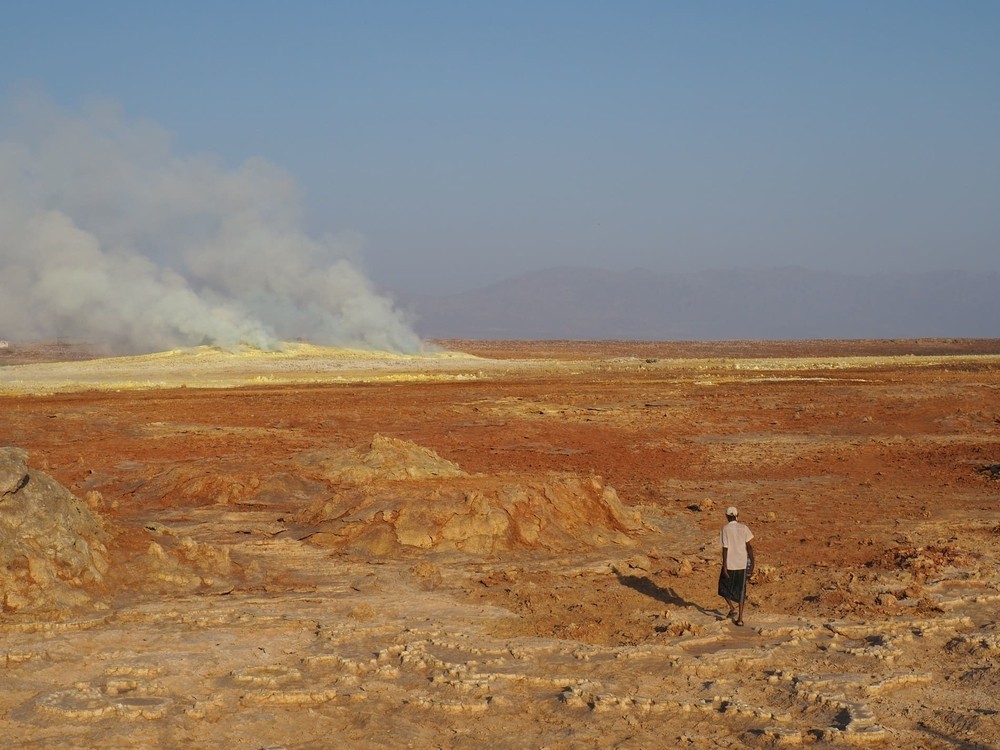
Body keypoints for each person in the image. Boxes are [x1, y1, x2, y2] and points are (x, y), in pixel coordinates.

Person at [718, 506, 754, 626]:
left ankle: (732, 607)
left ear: (727, 516)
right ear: (737, 515)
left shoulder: (725, 529)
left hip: (730, 563)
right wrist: (752, 562)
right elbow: (749, 546)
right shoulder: (744, 528)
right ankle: (740, 618)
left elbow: (725, 548)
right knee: (741, 590)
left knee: (723, 587)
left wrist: (724, 565)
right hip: (742, 563)